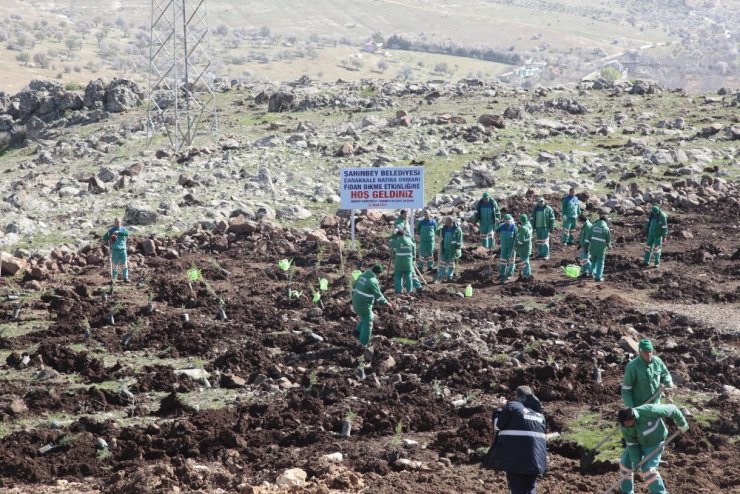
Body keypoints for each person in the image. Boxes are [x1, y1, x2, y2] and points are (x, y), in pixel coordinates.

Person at [485, 385, 547, 494]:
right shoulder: (539, 414)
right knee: (530, 488)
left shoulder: (512, 406)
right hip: (536, 459)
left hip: (516, 458)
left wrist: (499, 408)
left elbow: (497, 426)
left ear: (517, 396)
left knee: (516, 488)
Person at [617, 404, 689, 494]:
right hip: (638, 443)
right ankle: (626, 491)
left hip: (655, 443)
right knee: (624, 463)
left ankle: (660, 492)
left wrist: (682, 423)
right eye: (624, 424)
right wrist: (636, 462)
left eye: (627, 423)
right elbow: (632, 445)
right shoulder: (624, 427)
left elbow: (672, 409)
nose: (626, 426)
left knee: (648, 469)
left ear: (633, 418)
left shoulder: (649, 411)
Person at [621, 339, 674, 408]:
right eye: (645, 352)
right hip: (640, 406)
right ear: (640, 352)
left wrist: (668, 380)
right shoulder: (632, 367)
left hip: (656, 403)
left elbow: (665, 374)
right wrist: (630, 408)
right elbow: (626, 390)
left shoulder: (657, 361)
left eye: (650, 351)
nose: (649, 354)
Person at [351, 264, 394, 347]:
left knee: (365, 317)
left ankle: (357, 332)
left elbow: (353, 287)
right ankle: (362, 345)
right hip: (363, 305)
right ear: (378, 273)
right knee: (369, 320)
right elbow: (378, 295)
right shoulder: (372, 280)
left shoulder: (362, 275)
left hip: (356, 302)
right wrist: (386, 302)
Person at [102, 217, 130, 283]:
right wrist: (110, 235)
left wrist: (119, 232)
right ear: (114, 223)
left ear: (121, 222)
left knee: (124, 264)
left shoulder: (123, 229)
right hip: (115, 250)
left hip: (123, 249)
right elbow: (105, 238)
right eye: (117, 222)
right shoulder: (111, 230)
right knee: (115, 265)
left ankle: (125, 278)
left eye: (119, 222)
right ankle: (114, 278)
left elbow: (126, 234)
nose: (118, 223)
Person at [389, 227, 416, 294]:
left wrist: (393, 235)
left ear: (398, 235)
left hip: (399, 263)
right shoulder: (409, 240)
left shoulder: (397, 241)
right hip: (408, 262)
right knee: (409, 277)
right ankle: (409, 291)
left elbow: (391, 243)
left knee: (398, 276)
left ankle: (398, 291)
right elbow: (414, 246)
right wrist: (414, 257)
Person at [585, 214, 611, 282]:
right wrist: (609, 246)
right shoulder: (606, 228)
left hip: (593, 247)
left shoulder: (593, 226)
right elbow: (608, 240)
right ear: (606, 221)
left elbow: (588, 237)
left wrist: (586, 246)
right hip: (601, 249)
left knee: (593, 260)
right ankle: (598, 277)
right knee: (600, 262)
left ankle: (590, 273)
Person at [437, 217, 463, 282]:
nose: (445, 222)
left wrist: (457, 249)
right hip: (445, 248)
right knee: (442, 262)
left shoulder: (457, 230)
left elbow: (459, 241)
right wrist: (440, 225)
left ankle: (450, 276)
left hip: (452, 250)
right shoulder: (444, 228)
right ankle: (441, 276)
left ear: (450, 222)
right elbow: (437, 233)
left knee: (451, 263)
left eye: (446, 221)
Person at [498, 214, 517, 283]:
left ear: (510, 220)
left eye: (508, 220)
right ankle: (502, 273)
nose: (507, 221)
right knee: (503, 260)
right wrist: (496, 224)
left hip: (511, 247)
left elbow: (517, 237)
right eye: (505, 220)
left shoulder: (514, 227)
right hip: (503, 247)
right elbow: (496, 230)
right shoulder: (502, 226)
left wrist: (516, 246)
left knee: (511, 261)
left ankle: (509, 274)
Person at [515, 214, 533, 280]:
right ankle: (528, 274)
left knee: (525, 262)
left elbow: (520, 241)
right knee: (527, 260)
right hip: (528, 246)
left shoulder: (523, 228)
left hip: (524, 248)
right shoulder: (529, 225)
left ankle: (526, 276)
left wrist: (516, 246)